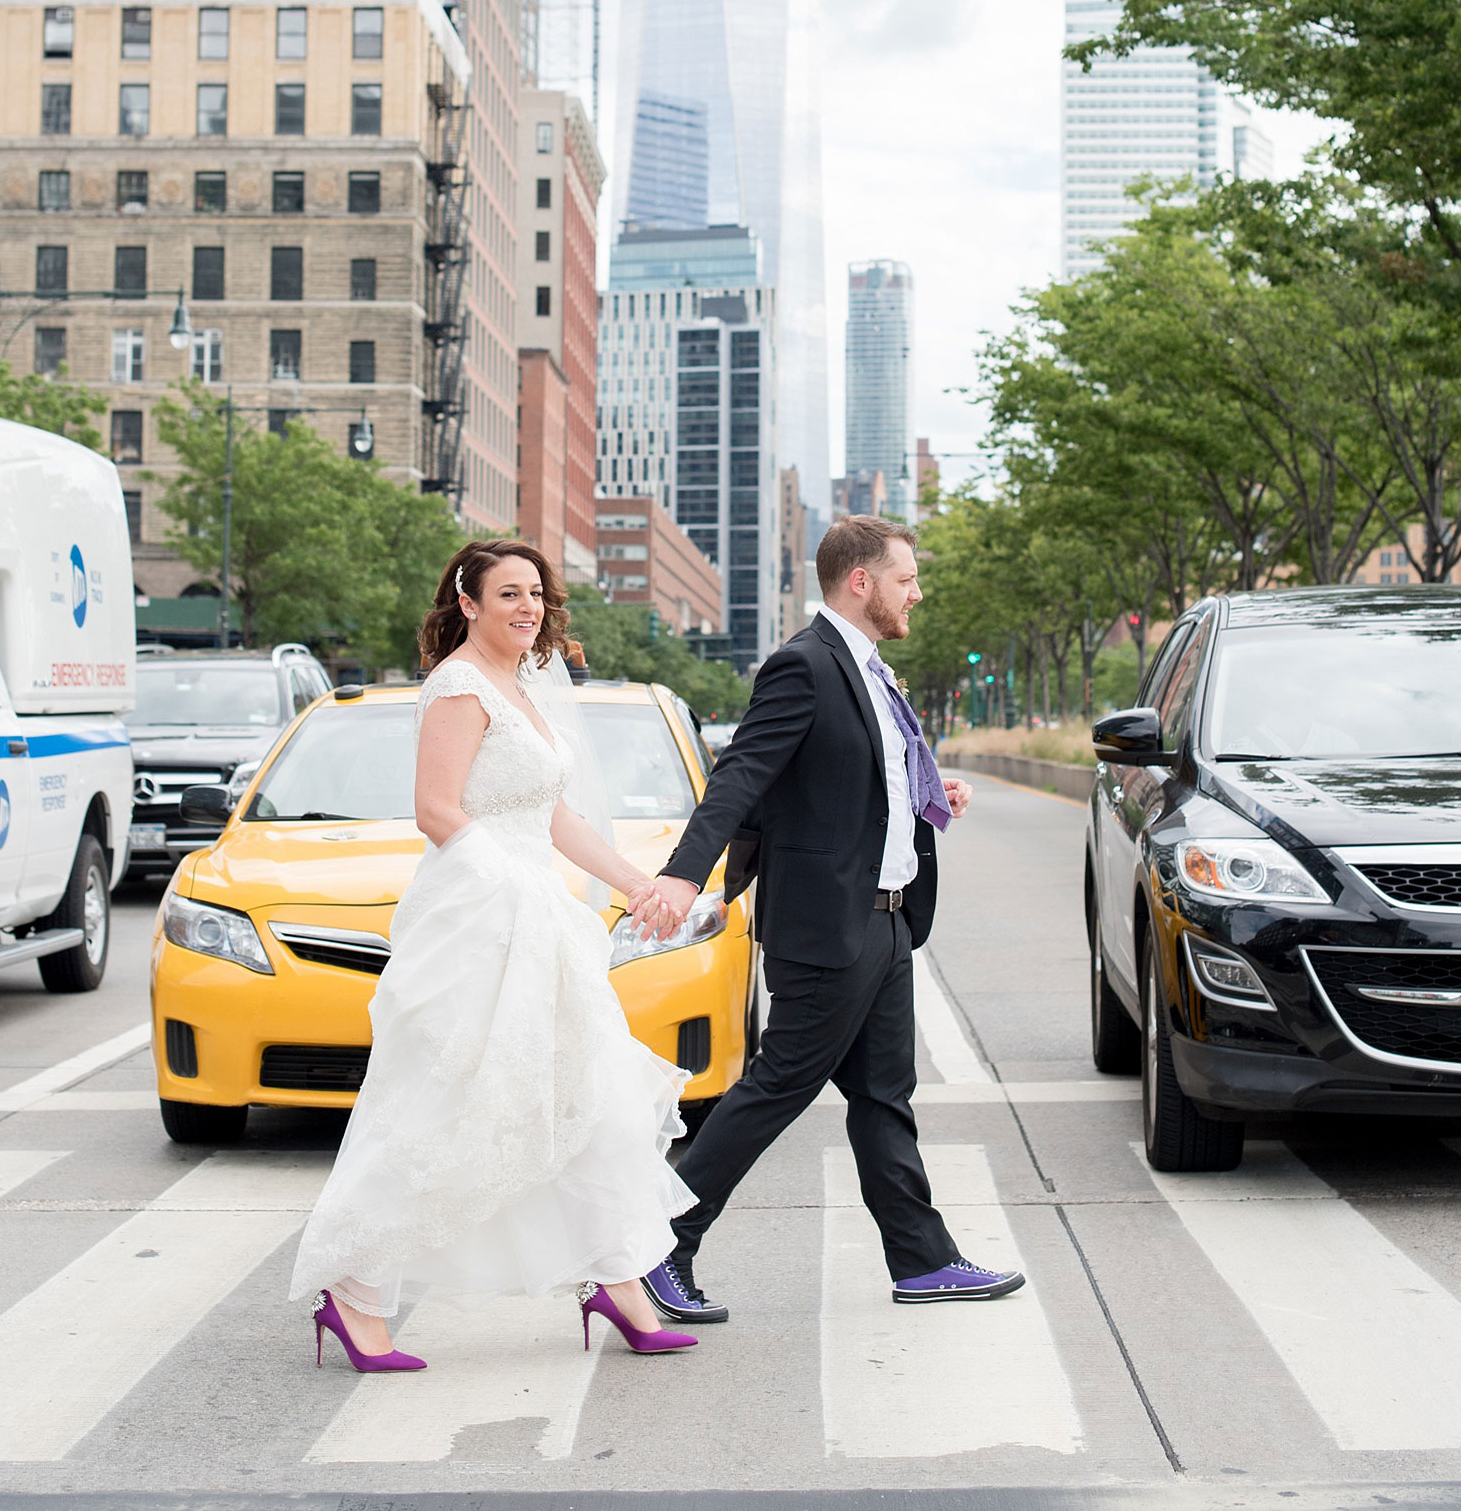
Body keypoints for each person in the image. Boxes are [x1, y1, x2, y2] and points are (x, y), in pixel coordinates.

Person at [289, 541, 699, 1370]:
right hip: (478, 918)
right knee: (443, 1102)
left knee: (584, 1091)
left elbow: (552, 815)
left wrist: (635, 883)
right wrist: (515, 892)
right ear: (467, 603)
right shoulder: (458, 685)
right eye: (507, 593)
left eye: (537, 594)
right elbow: (436, 811)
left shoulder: (523, 689)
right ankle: (353, 1291)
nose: (528, 607)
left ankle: (616, 1280)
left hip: (538, 916)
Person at [637, 513, 1027, 1323]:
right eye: (907, 579)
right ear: (862, 582)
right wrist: (682, 875)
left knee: (885, 1096)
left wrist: (930, 798)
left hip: (886, 923)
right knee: (779, 1085)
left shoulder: (874, 673)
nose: (917, 593)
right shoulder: (802, 667)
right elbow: (741, 776)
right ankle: (659, 1240)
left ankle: (923, 1262)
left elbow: (860, 783)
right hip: (827, 927)